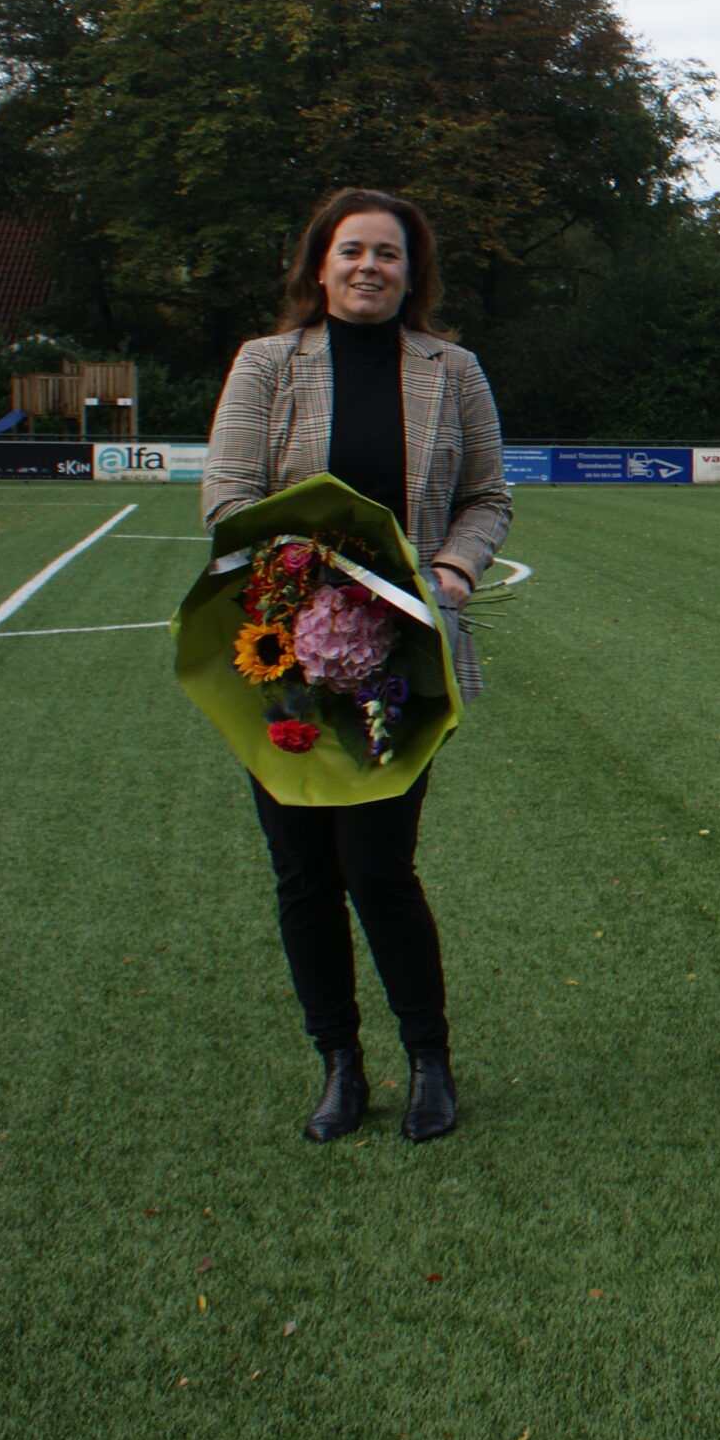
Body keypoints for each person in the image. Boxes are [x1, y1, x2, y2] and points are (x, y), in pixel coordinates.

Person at [203, 189, 511, 1144]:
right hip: (282, 652)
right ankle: (339, 1062)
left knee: (380, 867)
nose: (370, 267)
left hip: (404, 657)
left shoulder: (452, 370)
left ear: (411, 272)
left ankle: (429, 1059)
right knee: (302, 872)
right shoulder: (266, 364)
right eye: (352, 252)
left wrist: (454, 568)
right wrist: (309, 579)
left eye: (389, 253)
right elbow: (227, 498)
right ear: (320, 264)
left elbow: (487, 496)